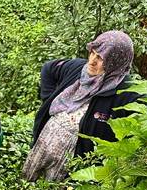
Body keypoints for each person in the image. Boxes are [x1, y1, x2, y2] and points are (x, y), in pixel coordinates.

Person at [23, 30, 139, 181]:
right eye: (93, 53)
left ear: (115, 63)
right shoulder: (78, 69)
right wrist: (48, 99)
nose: (92, 61)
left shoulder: (127, 93)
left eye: (100, 58)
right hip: (40, 151)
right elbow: (48, 68)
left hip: (75, 175)